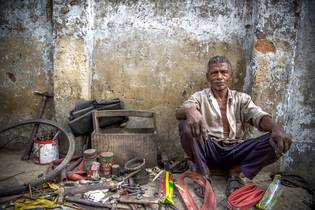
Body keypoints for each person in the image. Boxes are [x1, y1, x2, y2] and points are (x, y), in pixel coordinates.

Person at [176, 55, 292, 196]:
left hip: (236, 150)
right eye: (214, 73)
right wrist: (190, 111)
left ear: (230, 76)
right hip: (209, 148)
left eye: (224, 72)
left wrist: (276, 128)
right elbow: (180, 111)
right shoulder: (199, 96)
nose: (219, 77)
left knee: (276, 141)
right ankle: (202, 173)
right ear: (208, 77)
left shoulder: (242, 99)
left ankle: (236, 172)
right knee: (185, 125)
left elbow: (258, 116)